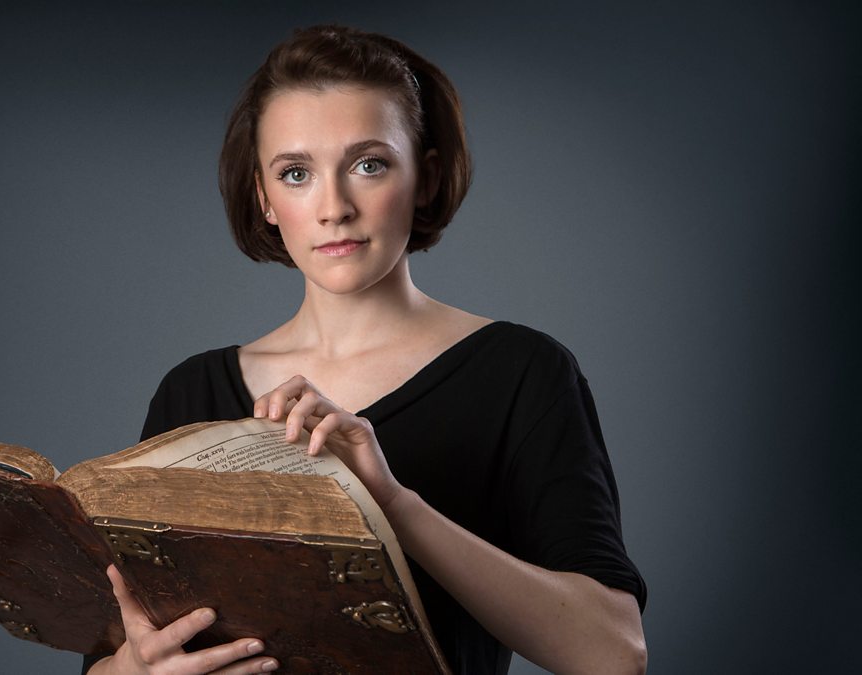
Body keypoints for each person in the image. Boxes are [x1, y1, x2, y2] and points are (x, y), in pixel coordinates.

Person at [86, 25, 647, 675]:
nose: (334, 207)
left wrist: (390, 503)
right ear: (265, 199)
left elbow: (615, 653)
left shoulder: (521, 372)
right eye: (296, 173)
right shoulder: (190, 391)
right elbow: (108, 652)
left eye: (368, 164)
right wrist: (132, 669)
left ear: (425, 178)